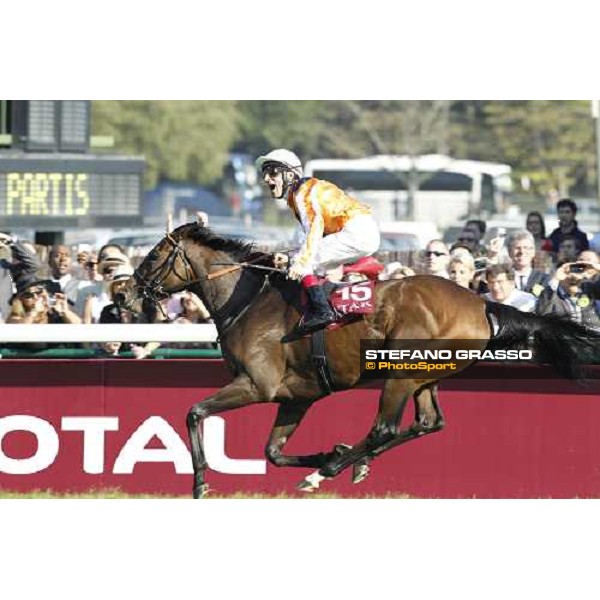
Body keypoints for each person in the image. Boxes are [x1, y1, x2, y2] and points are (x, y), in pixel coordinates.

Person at [255, 148, 380, 334]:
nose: (267, 179)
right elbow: (307, 238)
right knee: (309, 264)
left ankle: (323, 312)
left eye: (272, 172)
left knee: (303, 263)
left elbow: (315, 228)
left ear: (290, 174)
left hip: (356, 231)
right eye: (264, 173)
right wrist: (291, 256)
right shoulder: (298, 195)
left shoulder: (302, 193)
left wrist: (299, 261)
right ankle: (335, 310)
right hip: (359, 230)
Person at [0, 232, 41, 322]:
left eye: (25, 254)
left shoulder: (33, 284)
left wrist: (11, 241)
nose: (23, 259)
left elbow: (33, 264)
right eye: (20, 254)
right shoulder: (4, 268)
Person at [507, 231, 550, 296]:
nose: (522, 251)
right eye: (517, 248)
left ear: (533, 252)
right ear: (509, 252)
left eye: (526, 248)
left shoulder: (543, 278)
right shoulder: (504, 276)